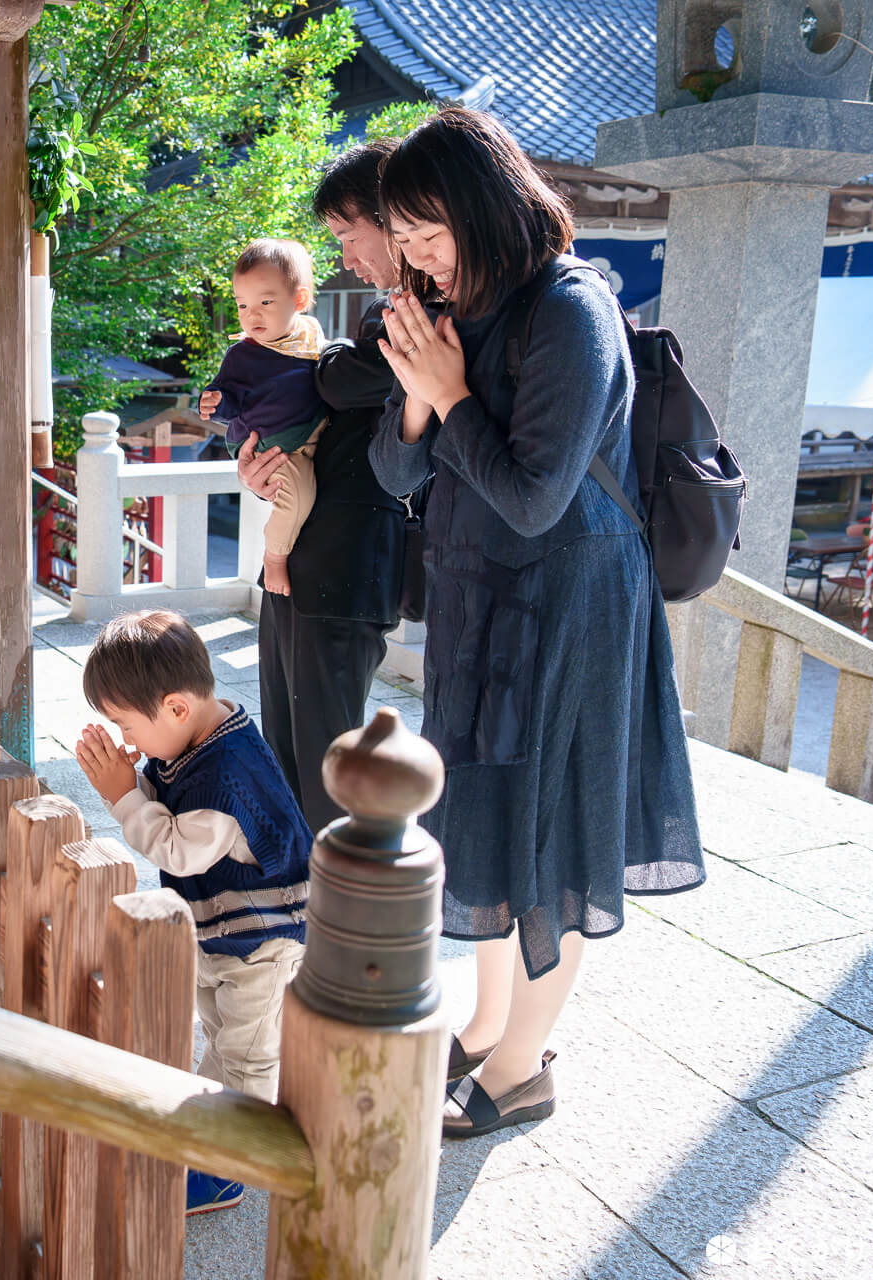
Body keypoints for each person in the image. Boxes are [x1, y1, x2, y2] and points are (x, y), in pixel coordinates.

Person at [367, 107, 704, 1137]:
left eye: (430, 228)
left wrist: (452, 394)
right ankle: (485, 1022)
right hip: (482, 603)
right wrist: (422, 397)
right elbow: (394, 471)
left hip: (570, 604)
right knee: (484, 813)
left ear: (483, 204)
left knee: (551, 828)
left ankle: (521, 1067)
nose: (417, 253)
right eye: (403, 233)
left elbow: (532, 494)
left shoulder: (570, 310)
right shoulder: (451, 308)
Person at [74, 609, 310, 1215]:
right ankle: (220, 1120)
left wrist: (122, 794)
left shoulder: (226, 783)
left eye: (126, 725)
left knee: (246, 1051)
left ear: (177, 707)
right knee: (225, 1034)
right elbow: (170, 795)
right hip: (228, 932)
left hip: (262, 942)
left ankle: (230, 1168)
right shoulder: (202, 734)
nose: (126, 742)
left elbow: (174, 844)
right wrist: (133, 780)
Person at [221, 142, 407, 833]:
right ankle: (295, 893)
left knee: (327, 753)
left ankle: (333, 903)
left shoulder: (424, 313)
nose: (347, 259)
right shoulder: (382, 314)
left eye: (347, 236)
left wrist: (324, 361)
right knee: (285, 740)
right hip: (304, 555)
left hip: (351, 562)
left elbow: (336, 380)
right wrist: (257, 463)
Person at [201, 238, 329, 597]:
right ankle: (274, 557)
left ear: (299, 301)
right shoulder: (243, 353)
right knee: (297, 497)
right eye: (242, 304)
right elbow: (230, 395)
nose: (251, 315)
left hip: (308, 430)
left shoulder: (310, 337)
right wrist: (215, 401)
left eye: (265, 302)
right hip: (272, 442)